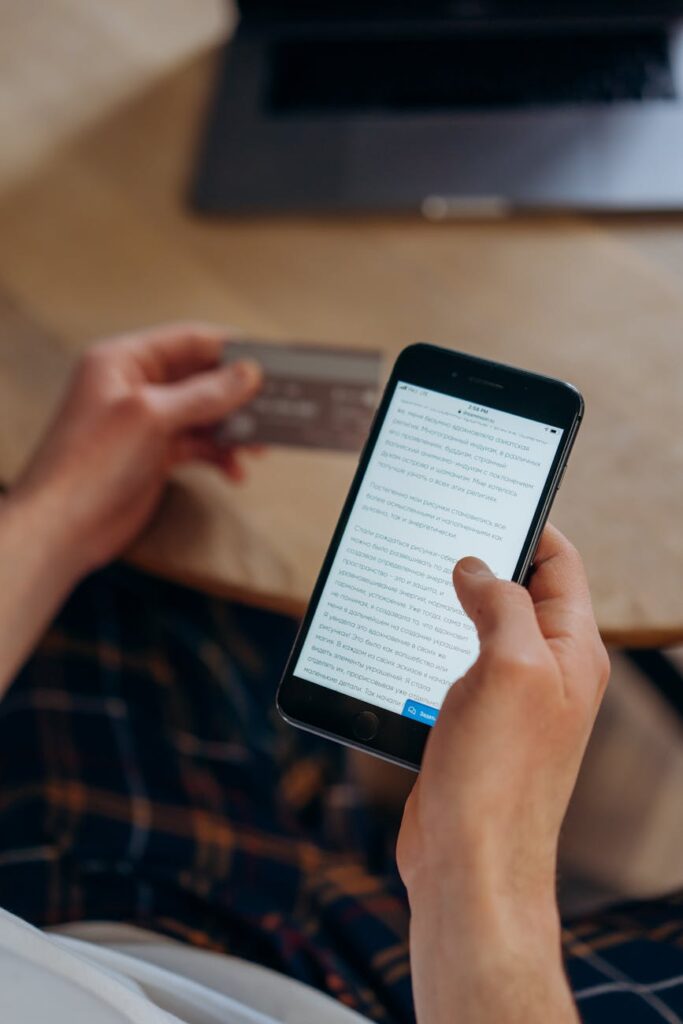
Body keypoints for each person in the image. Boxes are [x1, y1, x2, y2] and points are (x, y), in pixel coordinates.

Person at [0, 324, 680, 1024]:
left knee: (171, 563)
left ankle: (335, 810)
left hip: (85, 913)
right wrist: (482, 871)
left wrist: (56, 513)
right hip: (415, 982)